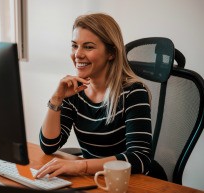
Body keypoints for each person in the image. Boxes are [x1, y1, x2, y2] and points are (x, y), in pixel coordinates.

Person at [35, 12, 167, 180]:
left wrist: (81, 166)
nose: (78, 54)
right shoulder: (75, 91)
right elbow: (49, 146)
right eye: (75, 46)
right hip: (97, 179)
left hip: (132, 182)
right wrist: (56, 99)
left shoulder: (134, 92)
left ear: (111, 53)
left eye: (88, 47)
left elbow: (139, 157)